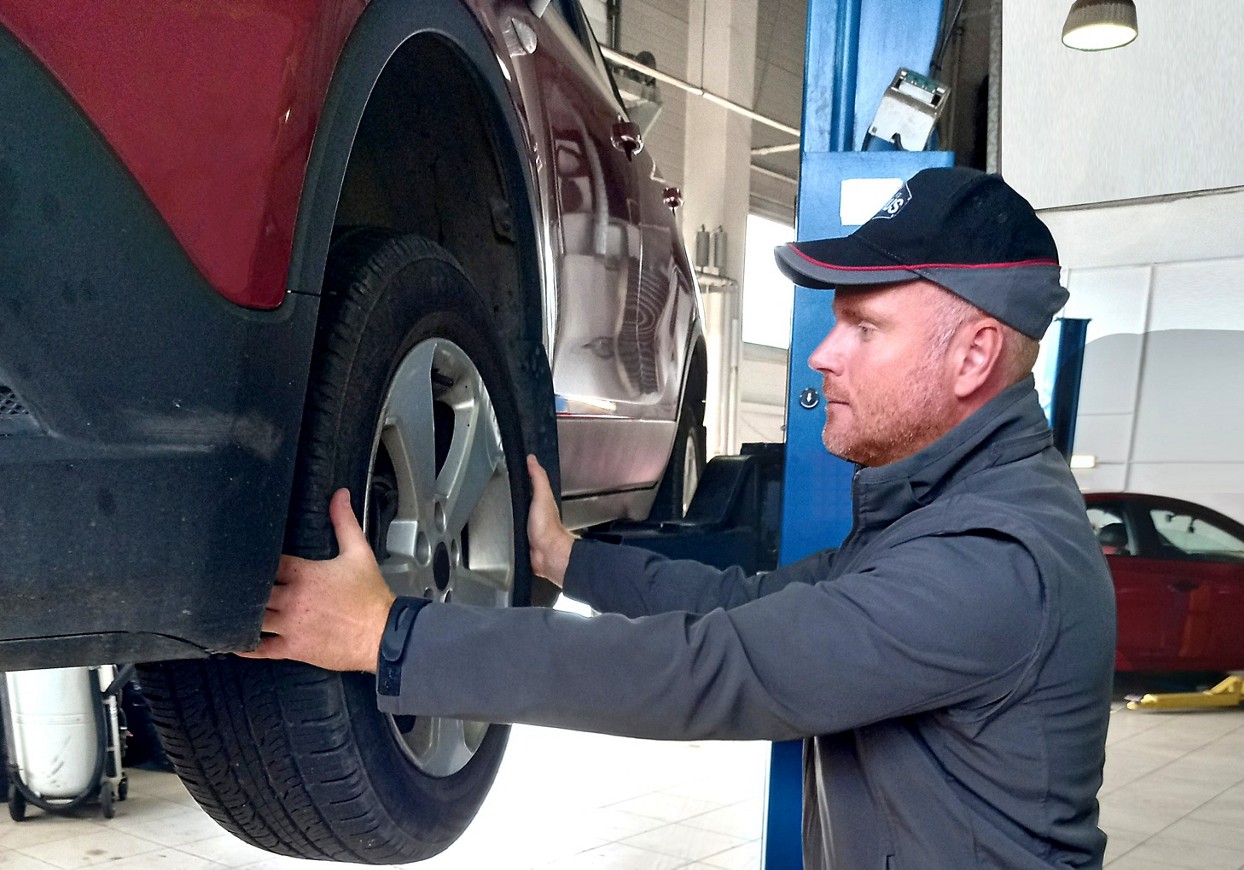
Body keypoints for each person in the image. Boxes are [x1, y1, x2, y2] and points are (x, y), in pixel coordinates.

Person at [242, 167, 1117, 869]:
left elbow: (709, 669)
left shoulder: (995, 562)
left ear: (973, 355)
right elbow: (746, 602)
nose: (821, 354)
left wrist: (390, 639)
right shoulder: (942, 516)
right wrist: (565, 560)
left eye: (863, 326)